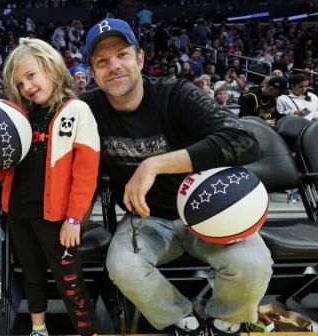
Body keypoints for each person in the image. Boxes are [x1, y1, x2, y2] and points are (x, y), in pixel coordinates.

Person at [80, 18, 272, 336]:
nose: (113, 66)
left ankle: (226, 322)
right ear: (93, 71)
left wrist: (153, 165)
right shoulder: (88, 109)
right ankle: (183, 321)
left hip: (209, 213)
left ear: (140, 58)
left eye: (122, 55)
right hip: (147, 219)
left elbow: (244, 141)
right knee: (123, 266)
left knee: (253, 264)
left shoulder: (176, 94)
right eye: (102, 61)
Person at [0, 38, 101, 336]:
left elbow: (86, 175)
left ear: (52, 68)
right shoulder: (19, 117)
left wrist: (74, 219)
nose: (27, 86)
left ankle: (88, 331)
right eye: (20, 82)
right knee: (31, 276)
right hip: (19, 213)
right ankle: (38, 328)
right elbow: (6, 170)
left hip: (58, 220)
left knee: (70, 279)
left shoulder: (77, 110)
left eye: (31, 76)